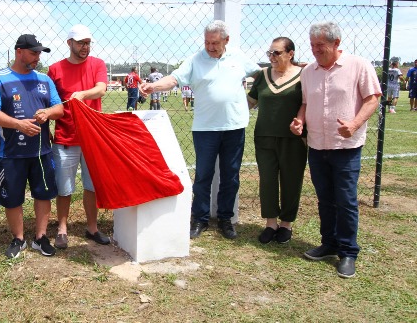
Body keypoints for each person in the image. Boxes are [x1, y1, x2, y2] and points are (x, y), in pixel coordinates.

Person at [140, 20, 261, 240]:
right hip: (205, 128)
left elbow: (261, 76)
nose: (210, 47)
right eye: (207, 42)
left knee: (230, 176)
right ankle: (200, 219)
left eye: (215, 43)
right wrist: (153, 86)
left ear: (226, 40)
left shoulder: (238, 57)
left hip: (235, 126)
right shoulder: (196, 60)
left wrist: (254, 98)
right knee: (204, 175)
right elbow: (174, 78)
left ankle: (226, 218)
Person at [290, 21, 381, 279]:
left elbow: (372, 98)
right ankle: (328, 243)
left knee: (346, 200)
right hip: (317, 145)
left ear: (336, 43)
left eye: (321, 45)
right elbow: (306, 103)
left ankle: (348, 252)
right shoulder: (308, 71)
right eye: (312, 45)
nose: (315, 50)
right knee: (325, 199)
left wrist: (354, 124)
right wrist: (300, 121)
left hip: (346, 147)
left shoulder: (358, 65)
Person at [0, 34, 64, 259]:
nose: (37, 57)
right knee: (13, 197)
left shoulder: (44, 79)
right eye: (33, 53)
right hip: (11, 152)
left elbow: (59, 108)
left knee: (43, 194)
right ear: (18, 52)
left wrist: (47, 112)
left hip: (41, 152)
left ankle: (40, 238)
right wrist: (18, 125)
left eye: (39, 53)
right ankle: (18, 239)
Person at [47, 24, 110, 249]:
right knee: (64, 187)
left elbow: (101, 88)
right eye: (81, 43)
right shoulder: (55, 70)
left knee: (91, 185)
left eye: (88, 43)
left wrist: (82, 94)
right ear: (69, 43)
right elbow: (50, 100)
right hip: (66, 137)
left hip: (93, 137)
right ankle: (62, 228)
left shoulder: (97, 64)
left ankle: (91, 227)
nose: (85, 47)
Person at [247, 37, 307, 244]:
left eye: (277, 53)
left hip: (293, 138)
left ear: (290, 54)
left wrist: (300, 121)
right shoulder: (262, 75)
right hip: (264, 136)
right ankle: (271, 223)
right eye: (269, 53)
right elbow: (250, 102)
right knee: (268, 180)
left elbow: (308, 103)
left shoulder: (303, 75)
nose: (272, 57)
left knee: (291, 180)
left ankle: (286, 224)